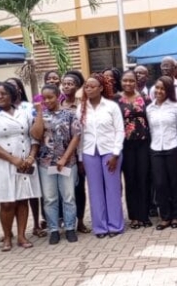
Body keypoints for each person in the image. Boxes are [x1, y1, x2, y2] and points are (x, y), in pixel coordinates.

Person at [0, 82, 41, 252]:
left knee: (22, 200)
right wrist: (12, 159)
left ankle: (22, 235)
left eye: (3, 93)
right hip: (3, 163)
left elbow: (35, 136)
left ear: (12, 94)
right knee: (6, 203)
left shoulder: (24, 113)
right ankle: (7, 236)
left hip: (24, 163)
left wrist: (30, 157)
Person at [31, 84, 81, 244]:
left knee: (68, 197)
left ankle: (70, 228)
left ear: (58, 96)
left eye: (50, 97)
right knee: (50, 198)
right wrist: (39, 112)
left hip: (67, 162)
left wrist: (65, 158)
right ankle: (53, 229)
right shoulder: (39, 114)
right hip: (46, 164)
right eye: (44, 98)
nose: (47, 101)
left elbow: (76, 137)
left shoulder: (70, 114)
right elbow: (36, 135)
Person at [79, 74, 125, 238]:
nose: (89, 89)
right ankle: (100, 227)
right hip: (89, 152)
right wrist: (80, 158)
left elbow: (120, 130)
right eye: (86, 86)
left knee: (112, 189)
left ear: (101, 88)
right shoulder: (82, 108)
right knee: (95, 191)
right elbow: (80, 135)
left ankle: (115, 225)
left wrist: (115, 153)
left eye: (92, 86)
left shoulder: (111, 106)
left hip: (110, 152)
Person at [5, 77, 44, 238]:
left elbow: (37, 130)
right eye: (8, 87)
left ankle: (36, 224)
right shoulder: (2, 109)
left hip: (30, 152)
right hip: (11, 156)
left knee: (32, 192)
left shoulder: (30, 107)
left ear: (20, 89)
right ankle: (12, 229)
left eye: (14, 86)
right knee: (14, 194)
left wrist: (31, 155)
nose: (11, 89)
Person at [147, 76, 177, 230]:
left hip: (173, 147)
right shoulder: (150, 108)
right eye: (157, 88)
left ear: (168, 90)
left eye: (163, 88)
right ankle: (165, 216)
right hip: (156, 149)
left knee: (175, 183)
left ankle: (176, 216)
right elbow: (150, 130)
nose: (159, 91)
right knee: (160, 184)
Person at [118, 70, 152, 229]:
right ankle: (134, 217)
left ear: (136, 82)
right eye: (125, 80)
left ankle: (144, 215)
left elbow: (150, 118)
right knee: (130, 179)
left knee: (144, 178)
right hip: (126, 144)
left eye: (131, 81)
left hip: (144, 143)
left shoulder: (145, 98)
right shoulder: (116, 100)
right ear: (121, 82)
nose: (128, 84)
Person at [61, 71, 91, 234]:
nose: (67, 86)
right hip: (60, 156)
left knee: (79, 189)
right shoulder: (58, 105)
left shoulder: (82, 105)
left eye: (70, 83)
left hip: (78, 154)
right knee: (65, 191)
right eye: (64, 83)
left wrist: (80, 157)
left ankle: (80, 221)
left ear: (78, 86)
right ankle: (67, 221)